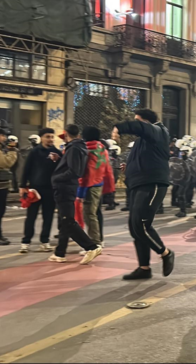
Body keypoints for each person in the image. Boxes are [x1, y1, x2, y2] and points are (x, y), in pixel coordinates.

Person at [112, 109, 175, 279]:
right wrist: (129, 167)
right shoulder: (144, 141)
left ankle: (165, 253)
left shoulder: (159, 131)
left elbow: (142, 128)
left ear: (146, 123)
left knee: (141, 224)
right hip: (139, 185)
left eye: (138, 121)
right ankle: (144, 268)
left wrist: (119, 127)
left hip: (152, 184)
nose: (137, 125)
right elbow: (142, 159)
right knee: (135, 228)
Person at [50, 124, 103, 264]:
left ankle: (91, 247)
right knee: (64, 220)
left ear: (66, 134)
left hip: (65, 188)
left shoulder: (74, 148)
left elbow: (75, 171)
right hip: (67, 188)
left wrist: (55, 178)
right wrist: (60, 159)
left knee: (68, 221)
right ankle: (59, 252)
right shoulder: (78, 147)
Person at [19, 128, 62, 253]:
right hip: (34, 190)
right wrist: (22, 186)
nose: (50, 139)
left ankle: (45, 241)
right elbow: (26, 169)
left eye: (52, 137)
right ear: (41, 138)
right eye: (47, 136)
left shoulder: (57, 153)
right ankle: (26, 242)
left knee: (48, 217)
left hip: (50, 190)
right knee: (31, 217)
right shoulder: (34, 152)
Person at [77, 126, 112, 247]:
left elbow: (87, 173)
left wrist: (81, 192)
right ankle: (99, 239)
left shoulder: (88, 150)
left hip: (89, 185)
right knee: (96, 213)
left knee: (89, 214)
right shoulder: (102, 148)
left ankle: (94, 243)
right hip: (99, 183)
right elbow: (107, 168)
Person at [104, 139, 122, 210]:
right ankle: (111, 201)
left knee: (110, 186)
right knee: (112, 186)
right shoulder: (115, 150)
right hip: (115, 168)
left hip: (112, 169)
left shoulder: (111, 150)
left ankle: (111, 202)